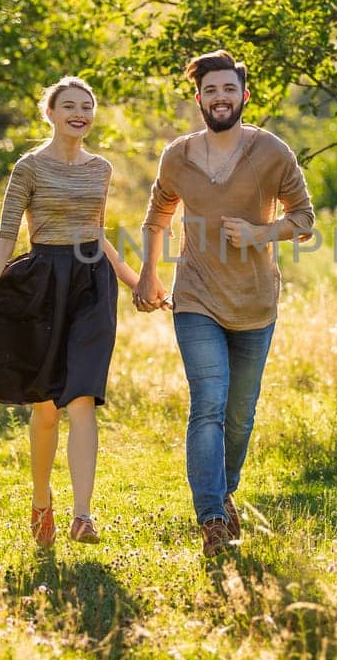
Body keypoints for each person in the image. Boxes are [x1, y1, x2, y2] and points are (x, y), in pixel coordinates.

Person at [133, 50, 315, 558]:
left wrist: (261, 232)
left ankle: (225, 490)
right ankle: (211, 517)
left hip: (256, 303)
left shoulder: (272, 152)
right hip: (196, 296)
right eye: (210, 91)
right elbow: (157, 217)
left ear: (243, 96)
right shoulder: (179, 155)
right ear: (199, 99)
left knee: (240, 416)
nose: (220, 98)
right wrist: (149, 273)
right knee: (208, 405)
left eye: (228, 90)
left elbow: (304, 219)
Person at [0, 76, 139, 548]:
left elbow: (97, 233)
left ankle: (83, 515)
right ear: (50, 114)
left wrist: (138, 282)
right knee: (47, 409)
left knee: (82, 398)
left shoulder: (101, 168)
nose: (80, 112)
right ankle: (41, 500)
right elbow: (5, 238)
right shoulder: (29, 168)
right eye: (69, 105)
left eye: (87, 106)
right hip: (42, 283)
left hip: (92, 284)